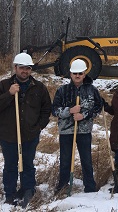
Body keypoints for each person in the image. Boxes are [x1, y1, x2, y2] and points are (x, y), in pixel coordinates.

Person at [0, 53, 52, 207]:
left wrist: (39, 127)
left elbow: (46, 109)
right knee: (10, 165)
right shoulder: (3, 86)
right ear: (15, 68)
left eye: (28, 68)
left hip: (30, 135)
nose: (25, 71)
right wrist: (9, 94)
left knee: (28, 164)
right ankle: (10, 193)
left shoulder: (39, 87)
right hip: (8, 135)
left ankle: (27, 190)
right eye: (22, 68)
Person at [52, 59, 102, 194]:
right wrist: (70, 111)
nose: (77, 76)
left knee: (86, 160)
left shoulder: (92, 90)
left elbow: (98, 107)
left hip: (84, 131)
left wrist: (84, 115)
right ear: (70, 74)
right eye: (75, 73)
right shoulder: (62, 90)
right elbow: (55, 110)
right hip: (66, 131)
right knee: (65, 161)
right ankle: (62, 186)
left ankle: (90, 188)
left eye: (80, 73)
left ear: (84, 74)